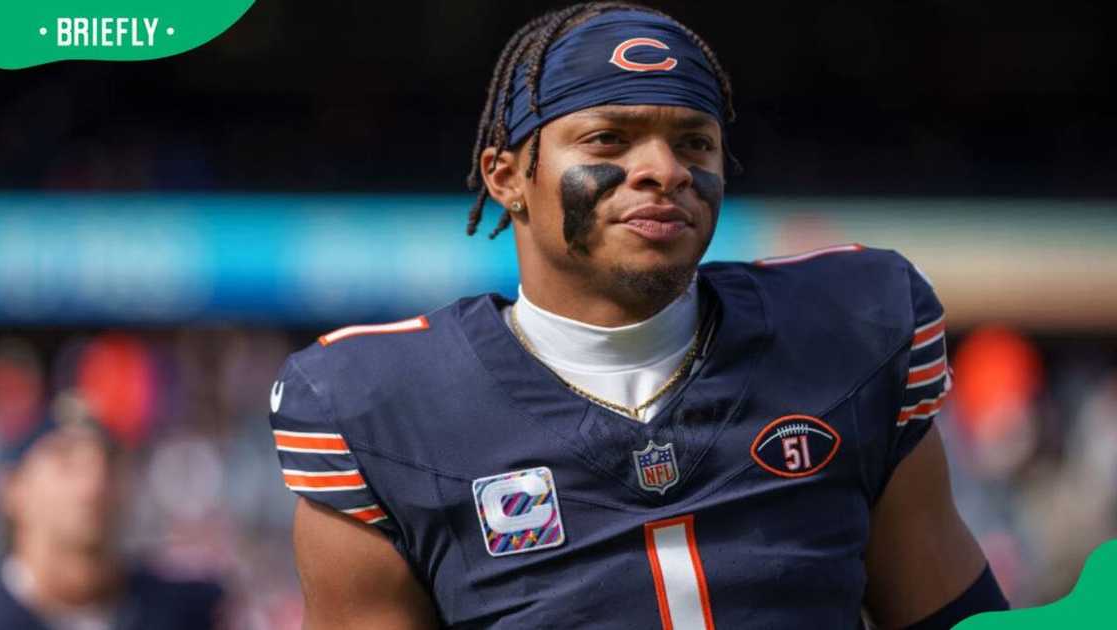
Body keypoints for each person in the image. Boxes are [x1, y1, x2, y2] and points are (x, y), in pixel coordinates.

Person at [268, 2, 1009, 628]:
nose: (665, 169)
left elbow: (947, 608)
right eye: (608, 139)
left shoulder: (849, 334)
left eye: (695, 142)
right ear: (505, 177)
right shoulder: (379, 408)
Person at [0, 395, 225, 630]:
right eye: (66, 461)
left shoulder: (189, 611)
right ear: (13, 487)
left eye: (110, 459)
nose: (94, 482)